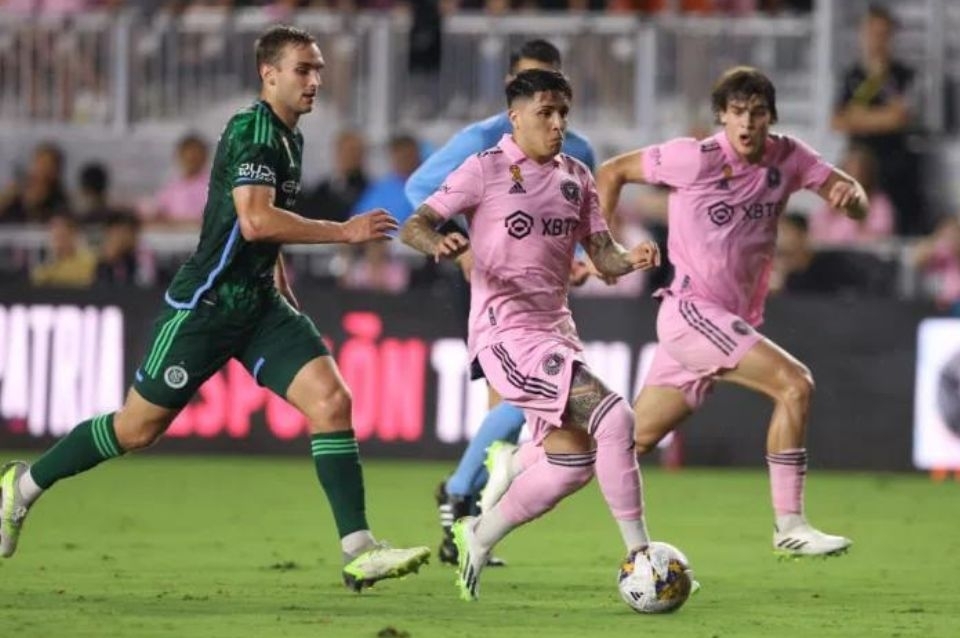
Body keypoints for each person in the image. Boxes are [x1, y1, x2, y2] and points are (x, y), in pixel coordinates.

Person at [0, 25, 430, 592]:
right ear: (269, 74)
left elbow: (263, 231)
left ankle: (358, 549)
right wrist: (344, 231)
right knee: (136, 429)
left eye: (319, 70)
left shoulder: (290, 138)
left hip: (260, 305)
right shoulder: (253, 130)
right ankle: (22, 486)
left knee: (331, 400)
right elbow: (254, 220)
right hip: (205, 305)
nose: (315, 80)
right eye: (303, 69)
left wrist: (281, 287)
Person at [401, 69, 661, 600]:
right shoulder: (484, 168)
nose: (558, 123)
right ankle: (642, 559)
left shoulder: (577, 177)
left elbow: (601, 253)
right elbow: (416, 224)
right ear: (515, 117)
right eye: (546, 112)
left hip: (557, 331)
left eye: (563, 112)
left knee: (572, 463)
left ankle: (480, 531)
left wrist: (630, 259)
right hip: (505, 334)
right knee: (616, 418)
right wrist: (440, 244)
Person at [589, 66, 863, 557]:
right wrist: (604, 253)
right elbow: (612, 171)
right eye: (738, 112)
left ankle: (520, 468)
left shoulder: (789, 157)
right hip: (693, 312)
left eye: (757, 113)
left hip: (723, 321)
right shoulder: (694, 158)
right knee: (795, 385)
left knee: (630, 441)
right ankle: (790, 525)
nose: (747, 123)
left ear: (771, 117)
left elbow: (849, 193)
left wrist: (852, 199)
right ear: (721, 116)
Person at [404, 38, 596, 566]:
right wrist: (464, 248)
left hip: (548, 296)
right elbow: (419, 192)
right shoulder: (481, 140)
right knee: (522, 402)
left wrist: (580, 258)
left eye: (551, 83)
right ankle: (462, 494)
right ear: (512, 88)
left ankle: (469, 520)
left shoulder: (579, 150)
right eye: (529, 81)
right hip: (493, 288)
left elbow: (579, 216)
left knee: (515, 415)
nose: (543, 96)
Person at [832, 4, 924, 236]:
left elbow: (900, 118)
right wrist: (881, 115)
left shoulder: (903, 76)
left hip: (893, 162)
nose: (876, 41)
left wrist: (859, 116)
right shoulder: (852, 76)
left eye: (882, 34)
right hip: (860, 162)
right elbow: (839, 121)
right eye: (872, 33)